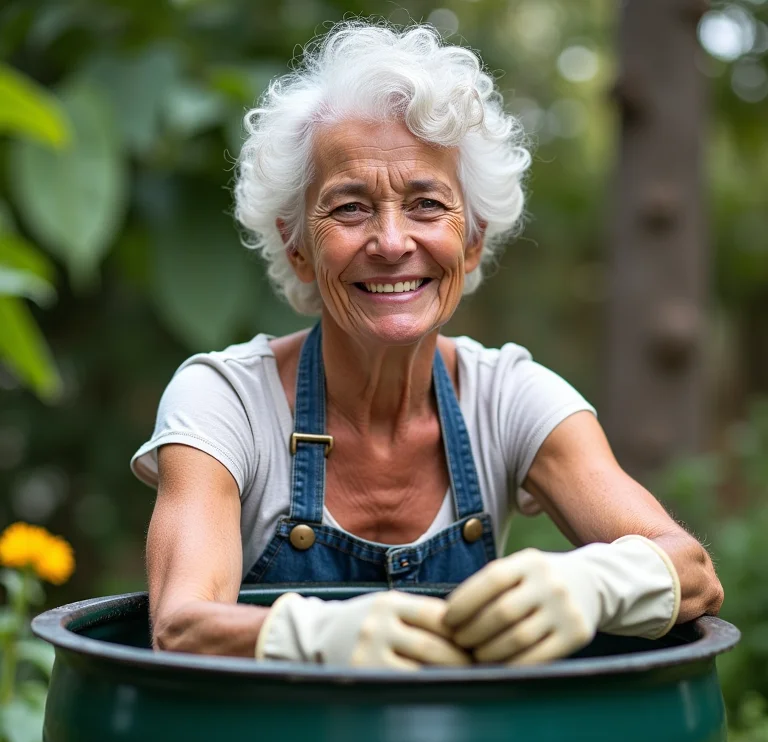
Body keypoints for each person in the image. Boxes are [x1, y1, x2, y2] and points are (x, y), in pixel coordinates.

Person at [131, 21, 723, 670]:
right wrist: (319, 637)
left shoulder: (510, 395)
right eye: (350, 207)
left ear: (471, 242)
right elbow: (180, 625)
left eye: (426, 204)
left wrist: (596, 583)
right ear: (299, 247)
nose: (390, 242)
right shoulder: (224, 401)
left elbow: (693, 573)